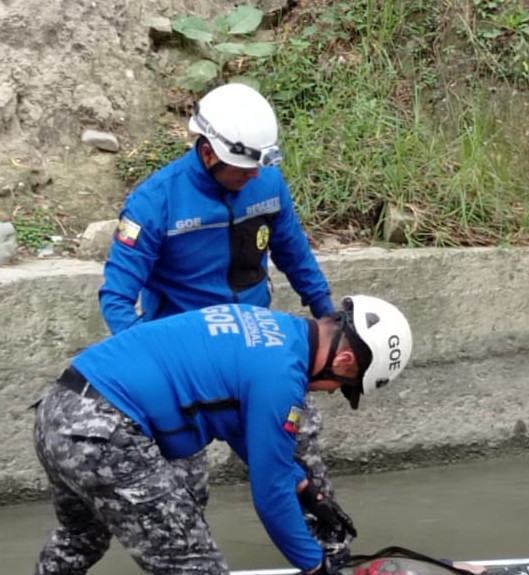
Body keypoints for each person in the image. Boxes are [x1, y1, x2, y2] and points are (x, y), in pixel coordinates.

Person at [97, 81, 343, 553]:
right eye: (242, 168)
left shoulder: (267, 184)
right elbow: (117, 295)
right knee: (182, 495)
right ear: (208, 152)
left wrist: (328, 317)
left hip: (261, 358)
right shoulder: (155, 203)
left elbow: (296, 256)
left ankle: (331, 557)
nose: (252, 178)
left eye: (257, 168)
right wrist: (149, 368)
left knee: (303, 472)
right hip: (188, 375)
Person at [33, 295, 413, 575]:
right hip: (105, 433)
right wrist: (316, 567)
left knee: (82, 538)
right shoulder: (282, 377)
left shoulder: (269, 327)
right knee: (196, 566)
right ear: (345, 362)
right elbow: (270, 492)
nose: (330, 392)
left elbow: (245, 433)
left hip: (59, 410)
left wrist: (307, 490)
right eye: (343, 387)